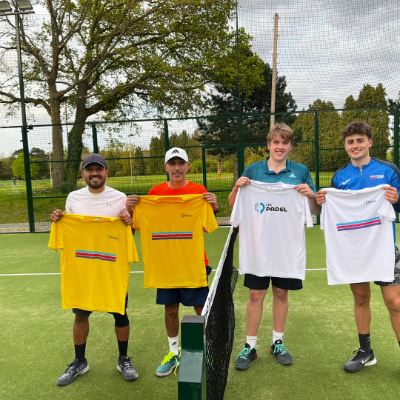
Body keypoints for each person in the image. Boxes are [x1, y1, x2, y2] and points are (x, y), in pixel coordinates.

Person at [229, 123, 321, 370]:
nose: (280, 147)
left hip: (287, 249)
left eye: (285, 143)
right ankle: (250, 346)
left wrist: (310, 195)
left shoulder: (300, 171)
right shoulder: (253, 170)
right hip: (257, 249)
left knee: (281, 293)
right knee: (255, 295)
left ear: (291, 146)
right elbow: (234, 206)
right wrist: (237, 187)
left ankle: (277, 342)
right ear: (268, 145)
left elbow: (314, 211)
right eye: (276, 142)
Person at [126, 147, 218, 377]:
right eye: (172, 164)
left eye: (181, 163)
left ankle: (204, 351)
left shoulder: (199, 192)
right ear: (166, 167)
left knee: (201, 310)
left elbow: (209, 225)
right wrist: (130, 207)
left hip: (193, 264)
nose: (177, 168)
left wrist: (214, 206)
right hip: (165, 266)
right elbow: (136, 226)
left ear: (187, 166)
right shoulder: (154, 193)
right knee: (170, 311)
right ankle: (174, 352)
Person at [316, 121, 400, 373]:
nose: (355, 145)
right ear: (345, 146)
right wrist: (323, 202)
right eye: (350, 142)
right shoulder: (339, 177)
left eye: (360, 140)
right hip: (353, 251)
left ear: (369, 142)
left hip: (385, 248)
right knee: (361, 298)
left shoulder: (389, 171)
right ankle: (366, 352)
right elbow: (333, 211)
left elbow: (398, 206)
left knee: (395, 302)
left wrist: (397, 200)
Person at [50, 154, 138, 385]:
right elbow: (69, 227)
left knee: (120, 313)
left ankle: (123, 359)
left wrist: (129, 221)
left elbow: (129, 233)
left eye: (99, 169)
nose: (95, 173)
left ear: (106, 172)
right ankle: (80, 361)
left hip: (111, 268)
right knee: (80, 315)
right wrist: (59, 218)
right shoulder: (73, 197)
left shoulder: (120, 198)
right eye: (90, 170)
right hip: (83, 268)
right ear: (83, 174)